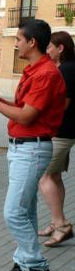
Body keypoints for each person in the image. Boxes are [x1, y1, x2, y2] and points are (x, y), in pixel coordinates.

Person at [0, 19, 66, 271]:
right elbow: (22, 107)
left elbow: (27, 116)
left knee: (13, 212)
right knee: (24, 211)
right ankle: (24, 265)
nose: (15, 43)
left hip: (32, 148)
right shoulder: (35, 71)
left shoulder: (46, 74)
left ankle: (37, 267)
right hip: (22, 147)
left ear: (32, 42)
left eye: (18, 39)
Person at [37, 31, 75, 248]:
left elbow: (64, 104)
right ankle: (55, 221)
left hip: (61, 132)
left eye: (50, 47)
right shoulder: (68, 67)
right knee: (55, 177)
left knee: (45, 177)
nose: (47, 50)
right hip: (66, 131)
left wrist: (39, 115)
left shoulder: (66, 70)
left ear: (60, 48)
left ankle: (61, 225)